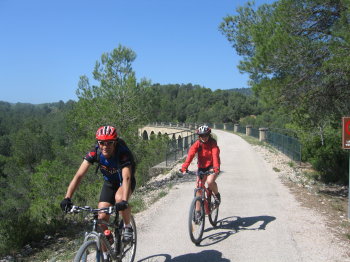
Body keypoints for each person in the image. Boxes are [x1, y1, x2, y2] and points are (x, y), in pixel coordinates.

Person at [60, 125, 136, 256]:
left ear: (115, 142)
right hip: (109, 183)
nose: (105, 146)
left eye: (109, 143)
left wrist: (123, 200)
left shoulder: (122, 153)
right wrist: (67, 198)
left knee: (119, 199)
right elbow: (78, 176)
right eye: (101, 143)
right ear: (98, 143)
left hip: (125, 182)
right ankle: (106, 253)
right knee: (101, 217)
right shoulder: (95, 153)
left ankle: (128, 226)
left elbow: (127, 177)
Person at [181, 125, 221, 205]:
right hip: (202, 167)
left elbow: (215, 155)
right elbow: (190, 154)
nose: (204, 137)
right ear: (199, 136)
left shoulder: (212, 143)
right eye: (201, 135)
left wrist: (216, 167)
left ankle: (217, 195)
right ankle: (198, 213)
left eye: (205, 135)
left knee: (210, 182)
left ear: (208, 135)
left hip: (212, 166)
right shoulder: (197, 144)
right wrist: (184, 167)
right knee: (198, 188)